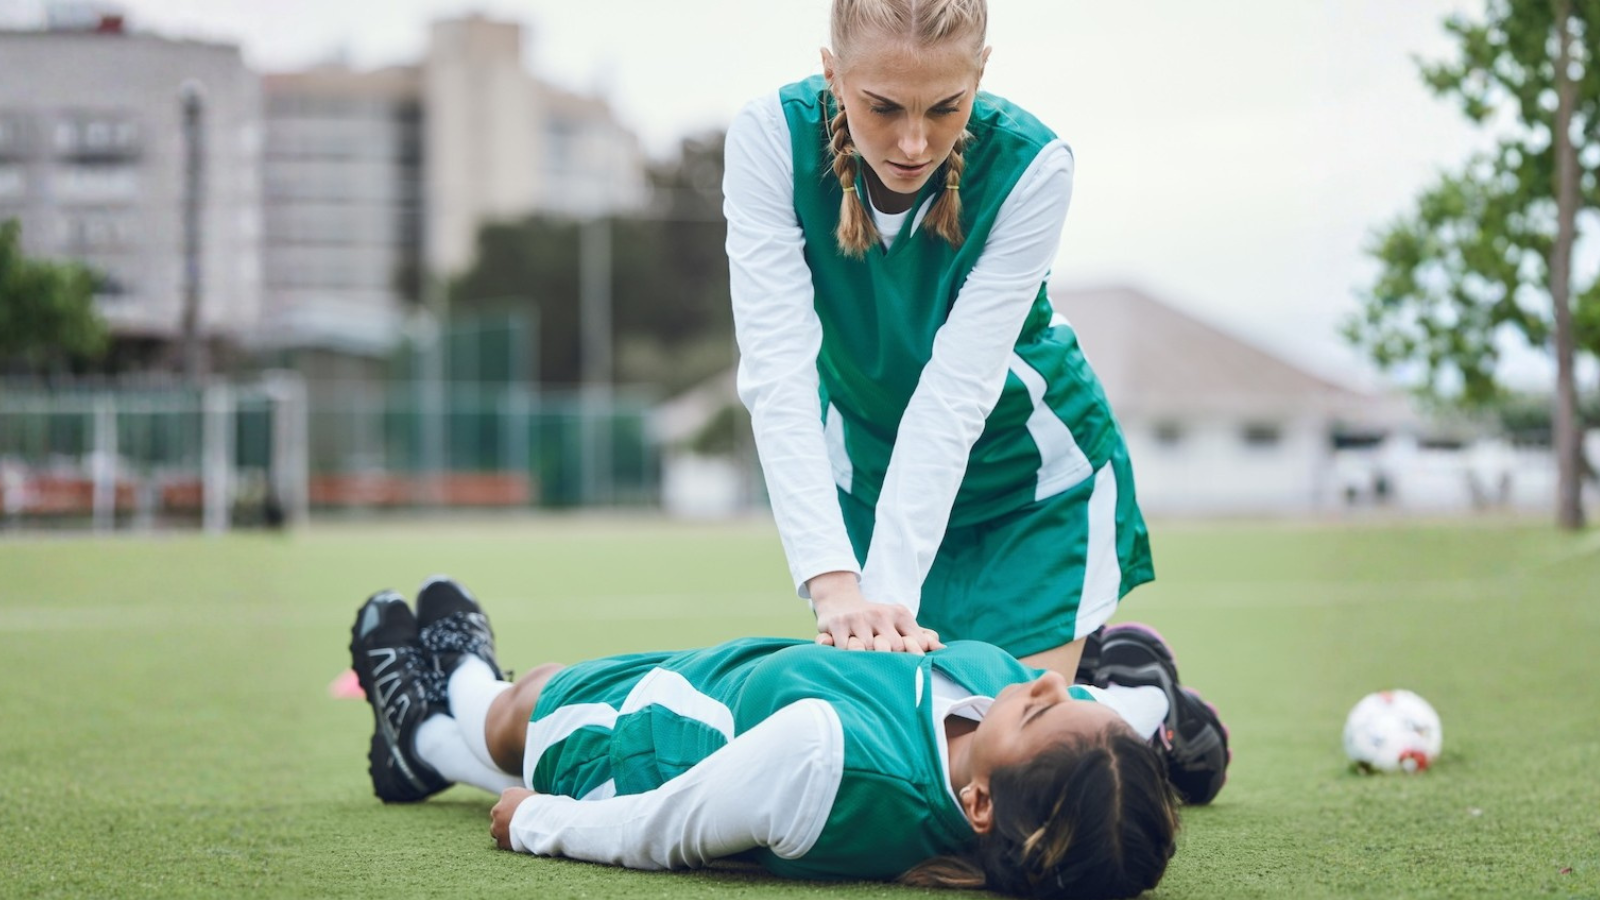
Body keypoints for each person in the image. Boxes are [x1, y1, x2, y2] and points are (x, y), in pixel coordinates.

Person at [725, 0, 1152, 685]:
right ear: (831, 74)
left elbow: (955, 393)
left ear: (980, 74)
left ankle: (1148, 704)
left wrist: (886, 596)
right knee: (901, 743)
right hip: (871, 473)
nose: (916, 144)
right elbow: (778, 369)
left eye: (946, 109)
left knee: (1003, 752)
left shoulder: (1034, 166)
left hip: (1028, 488)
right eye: (884, 108)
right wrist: (835, 584)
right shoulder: (769, 138)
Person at [350, 578, 1181, 899]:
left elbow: (665, 827)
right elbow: (1118, 725)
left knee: (523, 709)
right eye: (1073, 699)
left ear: (977, 803)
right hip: (716, 674)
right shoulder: (1042, 728)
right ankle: (418, 743)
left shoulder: (829, 761)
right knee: (546, 685)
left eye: (1040, 710)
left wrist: (537, 822)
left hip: (651, 744)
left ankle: (434, 713)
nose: (1044, 683)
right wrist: (1152, 703)